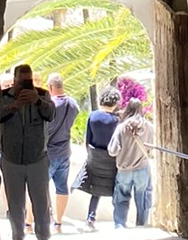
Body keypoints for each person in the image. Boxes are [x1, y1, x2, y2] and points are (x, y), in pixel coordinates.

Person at [0, 63, 56, 240]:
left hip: (37, 157)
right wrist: (14, 106)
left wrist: (37, 102)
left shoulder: (42, 95)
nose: (26, 83)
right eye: (22, 80)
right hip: (11, 158)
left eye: (29, 79)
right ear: (15, 79)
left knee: (41, 201)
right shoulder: (4, 97)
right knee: (15, 203)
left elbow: (51, 115)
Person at [79, 88, 121, 229]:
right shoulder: (116, 120)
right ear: (115, 103)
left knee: (96, 191)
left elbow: (87, 140)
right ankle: (119, 220)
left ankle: (90, 218)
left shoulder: (93, 116)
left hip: (95, 157)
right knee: (115, 187)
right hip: (111, 159)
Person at [111, 98, 154, 229]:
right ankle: (141, 224)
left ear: (128, 109)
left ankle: (120, 225)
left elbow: (112, 151)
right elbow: (151, 148)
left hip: (124, 170)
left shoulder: (121, 128)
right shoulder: (149, 127)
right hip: (142, 168)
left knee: (122, 198)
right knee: (143, 199)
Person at [45, 73, 80, 231]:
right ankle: (58, 223)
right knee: (62, 187)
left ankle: (31, 223)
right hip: (65, 151)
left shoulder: (50, 105)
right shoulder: (73, 104)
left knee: (39, 187)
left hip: (48, 153)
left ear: (50, 87)